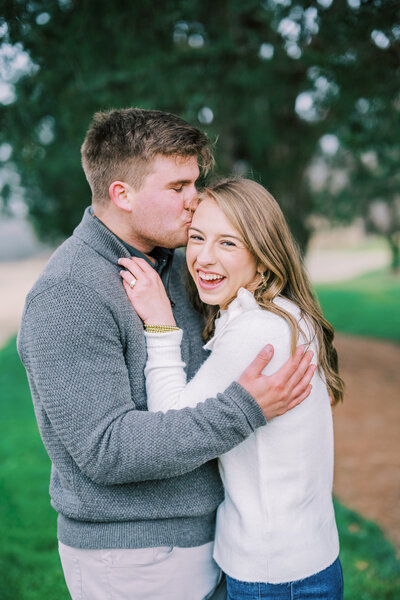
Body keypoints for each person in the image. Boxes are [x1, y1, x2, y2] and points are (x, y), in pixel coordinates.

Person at [17, 108, 315, 600]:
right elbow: (106, 450)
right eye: (178, 187)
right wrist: (247, 408)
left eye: (195, 183)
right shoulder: (70, 294)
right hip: (135, 557)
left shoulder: (180, 262)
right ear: (122, 195)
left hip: (212, 543)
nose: (195, 202)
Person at [119, 177, 345, 600]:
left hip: (274, 576)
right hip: (306, 559)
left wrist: (160, 322)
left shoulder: (257, 330)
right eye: (197, 237)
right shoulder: (287, 315)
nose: (203, 257)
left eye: (227, 243)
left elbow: (173, 421)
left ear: (262, 258)